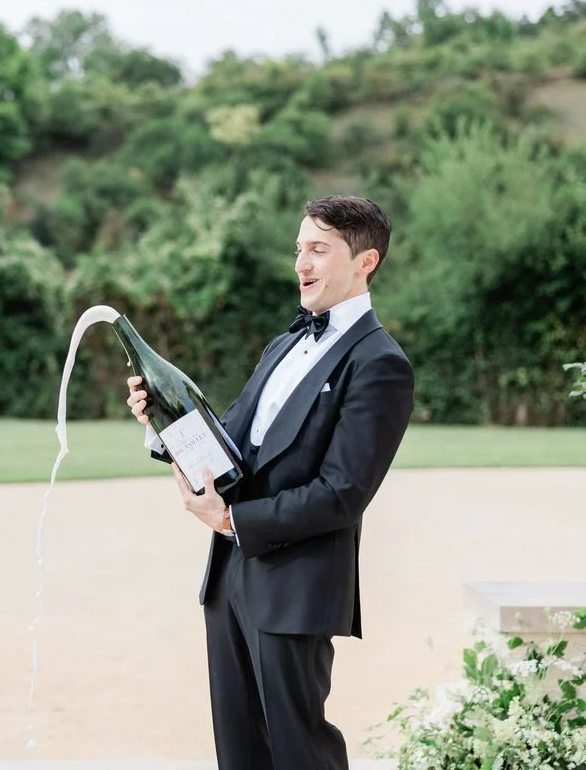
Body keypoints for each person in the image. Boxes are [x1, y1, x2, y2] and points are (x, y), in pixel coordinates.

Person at [126, 196, 414, 770]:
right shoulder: (283, 344)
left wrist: (231, 519)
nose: (302, 263)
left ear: (366, 261)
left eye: (319, 250)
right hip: (228, 576)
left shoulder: (381, 363)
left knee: (299, 751)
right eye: (299, 249)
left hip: (297, 586)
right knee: (239, 751)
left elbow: (342, 493)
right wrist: (161, 423)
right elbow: (229, 443)